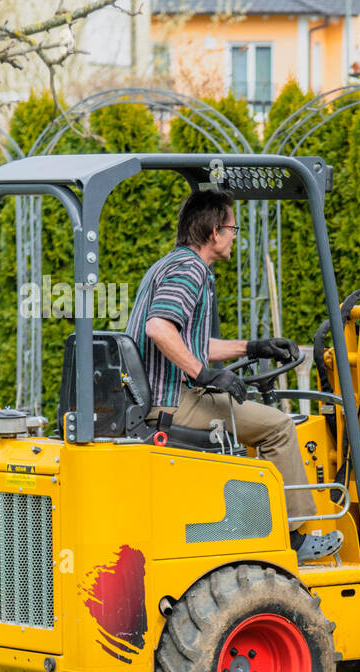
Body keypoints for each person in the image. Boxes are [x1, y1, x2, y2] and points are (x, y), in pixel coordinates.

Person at [125, 187, 342, 562]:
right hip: (170, 403)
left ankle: (252, 524)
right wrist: (205, 375)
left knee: (248, 416)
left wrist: (252, 348)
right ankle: (294, 538)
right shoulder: (190, 269)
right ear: (214, 233)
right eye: (232, 228)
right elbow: (159, 329)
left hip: (157, 398)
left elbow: (187, 342)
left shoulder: (170, 264)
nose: (233, 236)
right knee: (277, 427)